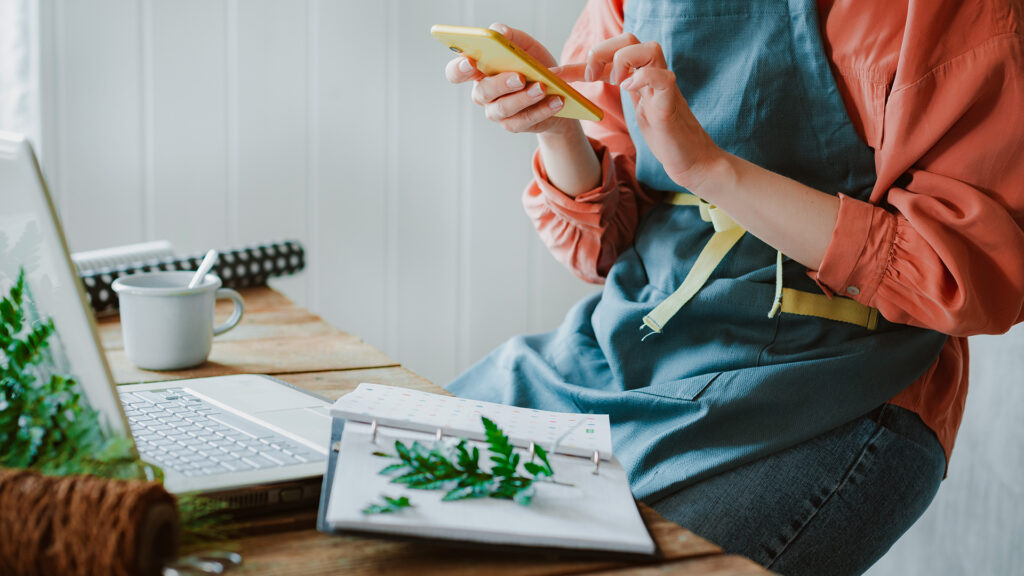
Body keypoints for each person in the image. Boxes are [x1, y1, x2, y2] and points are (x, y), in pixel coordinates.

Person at [443, 1, 1024, 574]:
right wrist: (559, 128)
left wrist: (711, 169)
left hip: (832, 386)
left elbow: (967, 272)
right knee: (401, 471)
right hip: (628, 347)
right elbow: (605, 244)